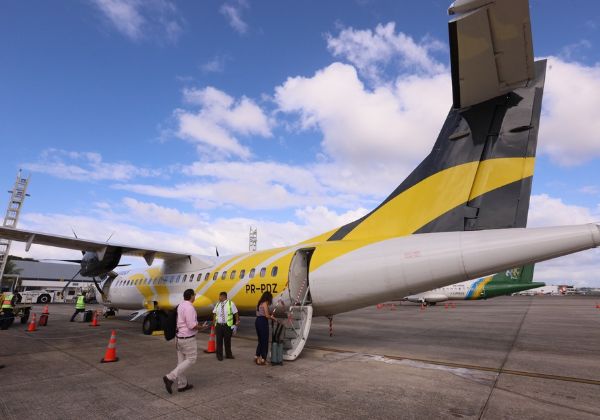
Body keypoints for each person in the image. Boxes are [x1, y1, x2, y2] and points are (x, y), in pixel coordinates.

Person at [163, 289, 198, 394]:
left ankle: (182, 384)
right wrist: (201, 327)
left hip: (178, 338)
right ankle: (170, 377)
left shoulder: (180, 305)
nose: (195, 297)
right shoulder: (189, 307)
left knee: (181, 362)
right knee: (192, 359)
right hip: (187, 338)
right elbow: (192, 325)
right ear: (192, 296)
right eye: (194, 295)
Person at [212, 291, 239, 361]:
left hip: (227, 325)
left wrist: (236, 324)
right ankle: (219, 356)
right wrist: (214, 324)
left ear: (223, 296)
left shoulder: (231, 303)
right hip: (219, 326)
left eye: (220, 296)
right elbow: (214, 314)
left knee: (227, 341)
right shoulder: (217, 304)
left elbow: (236, 313)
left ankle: (228, 354)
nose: (219, 298)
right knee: (219, 341)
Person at [255, 291, 275, 365]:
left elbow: (258, 313)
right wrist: (273, 318)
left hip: (257, 321)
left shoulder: (259, 303)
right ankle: (263, 359)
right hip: (263, 322)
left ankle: (257, 356)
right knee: (265, 341)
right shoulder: (265, 303)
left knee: (260, 340)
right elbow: (266, 315)